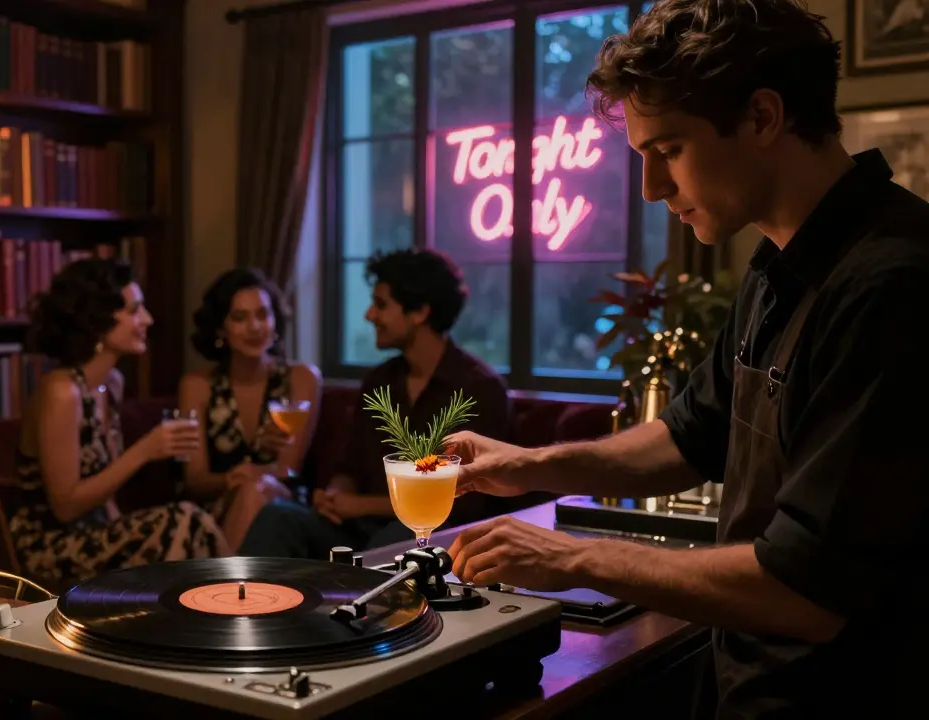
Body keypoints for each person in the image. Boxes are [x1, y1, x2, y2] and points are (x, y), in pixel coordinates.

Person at [444, 1, 929, 717]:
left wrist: (572, 559)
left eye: (668, 151)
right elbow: (690, 436)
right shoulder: (778, 266)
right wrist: (524, 466)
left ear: (763, 118)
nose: (652, 189)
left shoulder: (892, 286)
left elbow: (807, 592)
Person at [239, 248, 520, 558]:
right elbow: (349, 467)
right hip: (358, 526)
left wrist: (358, 505)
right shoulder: (379, 381)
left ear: (419, 313)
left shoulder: (478, 387)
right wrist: (335, 496)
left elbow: (461, 498)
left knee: (395, 540)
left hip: (436, 533)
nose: (369, 315)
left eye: (381, 305)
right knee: (277, 518)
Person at [11, 258, 230, 591]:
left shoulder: (109, 383)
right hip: (51, 544)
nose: (148, 319)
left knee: (186, 525)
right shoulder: (61, 392)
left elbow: (105, 487)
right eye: (134, 310)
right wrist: (145, 450)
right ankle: (240, 605)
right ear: (97, 321)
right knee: (183, 518)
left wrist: (128, 529)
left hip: (97, 534)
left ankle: (222, 612)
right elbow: (65, 506)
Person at [177, 268, 323, 550]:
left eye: (263, 314)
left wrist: (252, 477)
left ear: (275, 321)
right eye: (240, 318)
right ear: (221, 328)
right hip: (218, 506)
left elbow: (287, 469)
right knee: (247, 491)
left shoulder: (301, 378)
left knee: (254, 490)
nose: (255, 327)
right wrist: (230, 478)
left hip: (282, 501)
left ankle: (224, 587)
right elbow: (194, 479)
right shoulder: (197, 385)